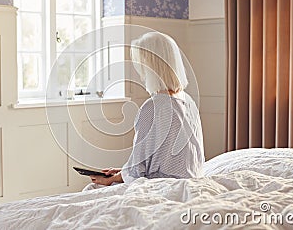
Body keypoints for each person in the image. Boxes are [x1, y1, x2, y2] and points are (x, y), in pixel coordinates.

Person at [84, 32, 204, 189]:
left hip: (161, 185)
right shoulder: (188, 102)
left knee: (92, 189)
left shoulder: (153, 107)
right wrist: (121, 173)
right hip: (190, 180)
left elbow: (137, 169)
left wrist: (112, 179)